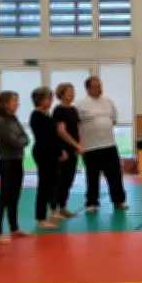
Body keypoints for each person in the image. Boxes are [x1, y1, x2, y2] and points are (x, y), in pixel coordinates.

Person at [77, 76, 129, 212]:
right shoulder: (81, 104)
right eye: (96, 86)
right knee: (92, 176)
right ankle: (92, 203)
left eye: (100, 86)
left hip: (109, 144)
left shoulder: (108, 101)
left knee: (115, 174)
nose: (100, 89)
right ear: (88, 88)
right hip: (90, 146)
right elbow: (77, 125)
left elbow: (114, 119)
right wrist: (79, 144)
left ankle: (119, 201)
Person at [0, 90, 30, 244]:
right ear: (5, 103)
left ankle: (14, 228)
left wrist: (21, 140)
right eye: (14, 101)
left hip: (17, 160)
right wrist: (21, 140)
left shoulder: (13, 119)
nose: (17, 104)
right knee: (4, 197)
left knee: (15, 196)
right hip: (6, 162)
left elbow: (25, 137)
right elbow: (16, 141)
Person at [29, 87, 66, 229]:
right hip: (43, 152)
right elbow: (45, 138)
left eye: (51, 98)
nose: (50, 101)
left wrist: (60, 150)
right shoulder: (36, 116)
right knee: (44, 185)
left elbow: (55, 135)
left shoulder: (47, 114)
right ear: (40, 100)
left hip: (52, 151)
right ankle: (41, 218)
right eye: (48, 98)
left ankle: (54, 210)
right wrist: (58, 151)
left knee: (54, 181)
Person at [52, 82, 83, 218]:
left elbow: (78, 127)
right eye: (70, 92)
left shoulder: (73, 109)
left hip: (74, 148)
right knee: (61, 179)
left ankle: (63, 206)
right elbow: (61, 131)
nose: (72, 94)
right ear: (62, 94)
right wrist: (75, 145)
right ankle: (56, 207)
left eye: (73, 92)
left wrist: (80, 143)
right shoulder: (58, 111)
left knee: (69, 178)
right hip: (63, 150)